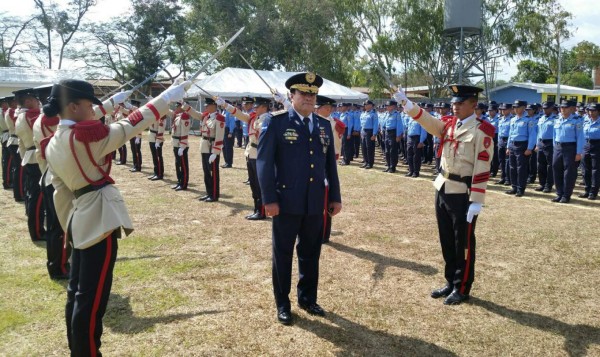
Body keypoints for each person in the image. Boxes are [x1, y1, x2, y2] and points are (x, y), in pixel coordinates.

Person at [43, 79, 188, 356]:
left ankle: (79, 350)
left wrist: (70, 224)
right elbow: (130, 125)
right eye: (88, 105)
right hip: (98, 219)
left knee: (77, 294)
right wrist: (166, 98)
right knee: (92, 300)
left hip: (79, 219)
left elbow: (59, 192)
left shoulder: (54, 142)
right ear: (73, 107)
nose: (92, 110)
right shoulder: (84, 138)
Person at [394, 84, 494, 305]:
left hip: (463, 193)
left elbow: (482, 168)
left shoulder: (481, 131)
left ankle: (463, 286)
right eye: (454, 103)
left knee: (463, 243)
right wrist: (406, 103)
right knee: (447, 239)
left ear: (473, 105)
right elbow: (427, 121)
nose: (455, 107)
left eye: (460, 103)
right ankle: (450, 281)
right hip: (443, 187)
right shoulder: (449, 125)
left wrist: (477, 201)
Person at [257, 72, 342, 325]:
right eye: (303, 93)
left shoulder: (324, 125)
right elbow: (263, 163)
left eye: (312, 94)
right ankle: (283, 303)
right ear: (291, 96)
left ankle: (307, 298)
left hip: (314, 202)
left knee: (310, 252)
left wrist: (335, 197)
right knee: (282, 254)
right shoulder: (275, 122)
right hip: (285, 201)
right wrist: (269, 199)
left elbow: (330, 166)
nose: (308, 98)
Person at [32, 85, 70, 279]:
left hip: (48, 174)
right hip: (55, 177)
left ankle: (56, 263)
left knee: (56, 225)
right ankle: (60, 266)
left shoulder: (40, 118)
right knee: (60, 226)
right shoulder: (50, 119)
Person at [218, 96, 271, 218]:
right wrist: (226, 106)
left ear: (264, 107)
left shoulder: (268, 120)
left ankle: (261, 211)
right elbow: (239, 114)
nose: (254, 108)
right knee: (253, 183)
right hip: (251, 153)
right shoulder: (254, 117)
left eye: (257, 106)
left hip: (259, 155)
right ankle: (257, 209)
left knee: (259, 184)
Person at [14, 87, 46, 241]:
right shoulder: (32, 115)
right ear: (28, 101)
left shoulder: (20, 115)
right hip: (35, 157)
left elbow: (21, 142)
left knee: (32, 194)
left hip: (29, 155)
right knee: (38, 196)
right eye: (35, 99)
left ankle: (36, 228)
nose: (38, 102)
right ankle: (38, 231)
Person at [552, 100, 585, 203]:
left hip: (570, 148)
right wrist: (555, 147)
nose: (563, 109)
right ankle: (559, 193)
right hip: (558, 147)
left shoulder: (577, 120)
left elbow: (580, 137)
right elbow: (554, 135)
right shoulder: (557, 119)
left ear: (571, 108)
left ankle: (566, 195)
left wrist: (579, 152)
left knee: (569, 173)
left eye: (565, 107)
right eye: (561, 107)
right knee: (556, 169)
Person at [506, 100, 536, 197]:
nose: (515, 109)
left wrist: (529, 148)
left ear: (523, 108)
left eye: (518, 107)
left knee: (521, 168)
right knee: (512, 167)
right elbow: (510, 134)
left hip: (522, 145)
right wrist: (508, 146)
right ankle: (514, 187)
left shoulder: (528, 119)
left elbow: (532, 135)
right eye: (514, 107)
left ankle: (520, 188)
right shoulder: (513, 119)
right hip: (512, 145)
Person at [5, 95, 25, 201]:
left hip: (13, 140)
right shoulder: (12, 112)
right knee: (19, 170)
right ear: (11, 103)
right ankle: (19, 193)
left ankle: (18, 192)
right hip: (15, 141)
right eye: (14, 102)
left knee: (17, 169)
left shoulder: (9, 111)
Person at [535, 101, 557, 193]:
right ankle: (542, 183)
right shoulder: (541, 118)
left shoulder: (556, 119)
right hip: (541, 143)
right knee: (540, 165)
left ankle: (548, 185)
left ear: (552, 109)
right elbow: (538, 133)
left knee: (550, 165)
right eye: (544, 108)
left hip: (550, 144)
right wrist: (537, 144)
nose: (545, 110)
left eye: (547, 108)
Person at [580, 103, 600, 200]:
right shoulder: (586, 121)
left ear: (598, 111)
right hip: (586, 144)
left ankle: (593, 192)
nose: (591, 112)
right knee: (585, 169)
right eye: (590, 111)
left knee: (595, 170)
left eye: (593, 111)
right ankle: (587, 190)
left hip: (597, 145)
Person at [170, 103, 191, 191]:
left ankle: (184, 183)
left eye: (177, 106)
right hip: (176, 143)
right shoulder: (178, 116)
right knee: (177, 164)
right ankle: (179, 181)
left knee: (183, 165)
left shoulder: (184, 116)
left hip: (180, 143)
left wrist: (182, 146)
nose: (176, 108)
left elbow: (184, 132)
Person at [380, 100, 404, 173]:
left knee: (393, 151)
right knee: (387, 151)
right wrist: (382, 129)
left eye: (389, 106)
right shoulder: (386, 114)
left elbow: (399, 126)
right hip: (386, 133)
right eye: (387, 106)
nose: (387, 107)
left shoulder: (397, 114)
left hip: (393, 133)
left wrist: (398, 135)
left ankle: (392, 167)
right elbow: (383, 123)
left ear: (393, 106)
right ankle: (388, 165)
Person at [405, 107, 428, 177]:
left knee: (416, 156)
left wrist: (421, 141)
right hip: (410, 138)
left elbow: (423, 131)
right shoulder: (410, 119)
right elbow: (408, 130)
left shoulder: (420, 119)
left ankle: (416, 171)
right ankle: (411, 170)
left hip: (417, 138)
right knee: (409, 155)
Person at [147, 102, 166, 181]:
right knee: (154, 156)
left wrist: (158, 140)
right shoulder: (153, 113)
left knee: (158, 156)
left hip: (156, 137)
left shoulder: (161, 114)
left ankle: (160, 173)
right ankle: (156, 172)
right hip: (151, 136)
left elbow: (161, 127)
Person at [359, 100, 378, 169]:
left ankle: (370, 163)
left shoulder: (373, 114)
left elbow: (375, 124)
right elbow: (361, 124)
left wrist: (374, 134)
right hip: (363, 131)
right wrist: (361, 132)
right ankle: (366, 162)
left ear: (371, 105)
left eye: (367, 105)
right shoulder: (363, 113)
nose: (366, 106)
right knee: (363, 148)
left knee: (369, 148)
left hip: (370, 131)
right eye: (365, 105)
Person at [0, 97, 11, 189]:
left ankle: (8, 180)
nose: (5, 104)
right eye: (3, 103)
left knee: (8, 161)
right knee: (7, 160)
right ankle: (7, 181)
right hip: (6, 136)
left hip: (6, 136)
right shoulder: (3, 112)